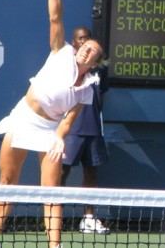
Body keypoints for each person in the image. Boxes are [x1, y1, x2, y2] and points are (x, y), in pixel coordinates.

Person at [0, 0, 105, 248]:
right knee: (6, 181)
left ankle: (54, 246)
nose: (86, 48)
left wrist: (60, 138)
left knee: (52, 191)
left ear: (94, 63)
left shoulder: (87, 88)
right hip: (23, 118)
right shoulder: (62, 51)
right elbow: (55, 16)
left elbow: (69, 119)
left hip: (50, 131)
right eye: (85, 45)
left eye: (92, 51)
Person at [60, 27, 110, 234]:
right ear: (74, 43)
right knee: (61, 173)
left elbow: (101, 96)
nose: (85, 42)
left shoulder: (100, 70)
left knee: (91, 174)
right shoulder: (66, 67)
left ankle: (88, 218)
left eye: (88, 38)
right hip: (71, 129)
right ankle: (54, 216)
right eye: (81, 39)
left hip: (93, 130)